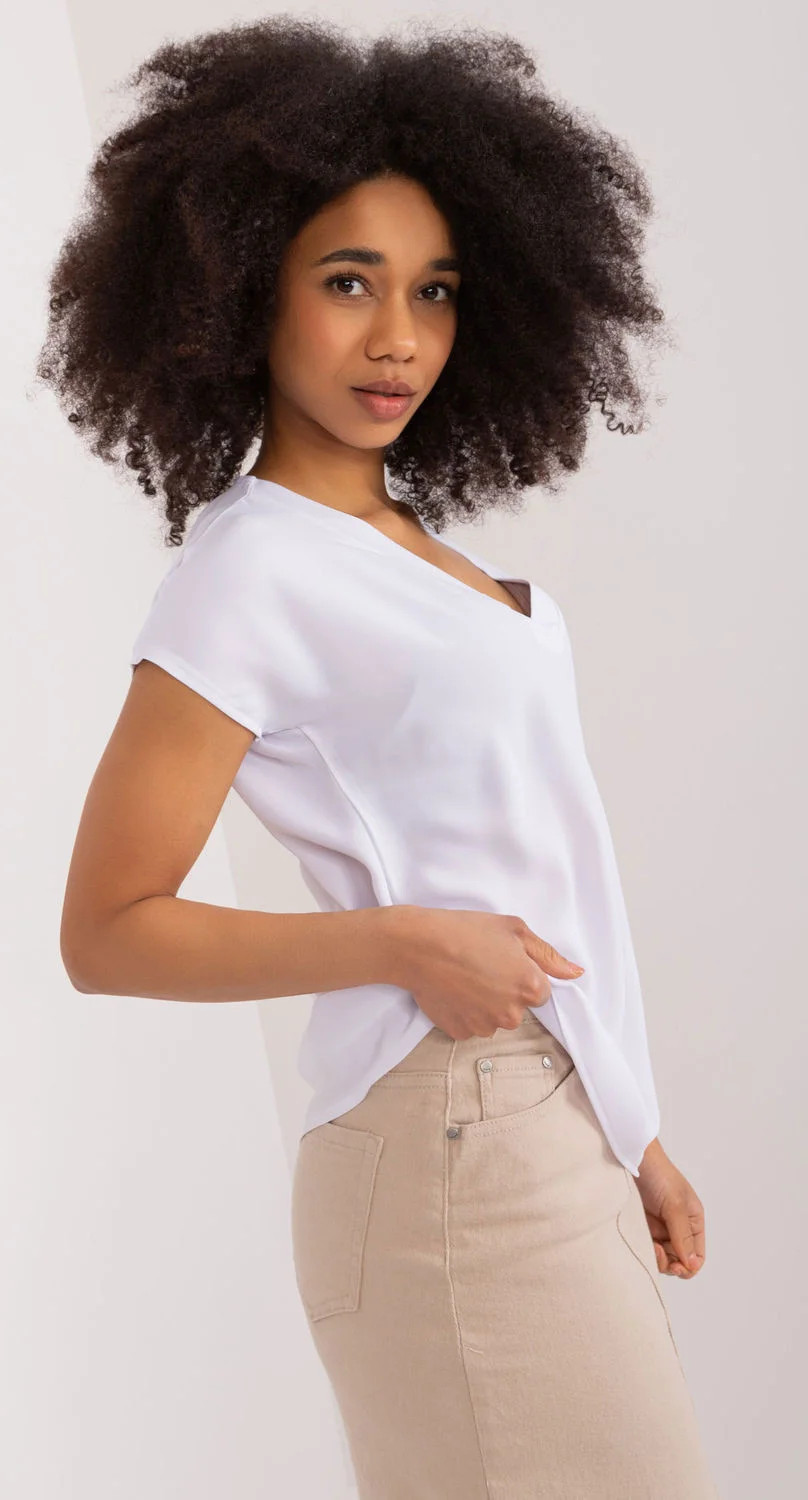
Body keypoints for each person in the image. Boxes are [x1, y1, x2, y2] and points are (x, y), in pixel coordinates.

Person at [38, 17, 719, 1497]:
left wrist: (634, 1133)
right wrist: (403, 942)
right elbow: (108, 929)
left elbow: (542, 862)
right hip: (454, 1143)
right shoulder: (252, 568)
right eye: (348, 282)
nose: (399, 336)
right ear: (241, 288)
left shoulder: (408, 548)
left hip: (546, 1124)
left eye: (435, 290)